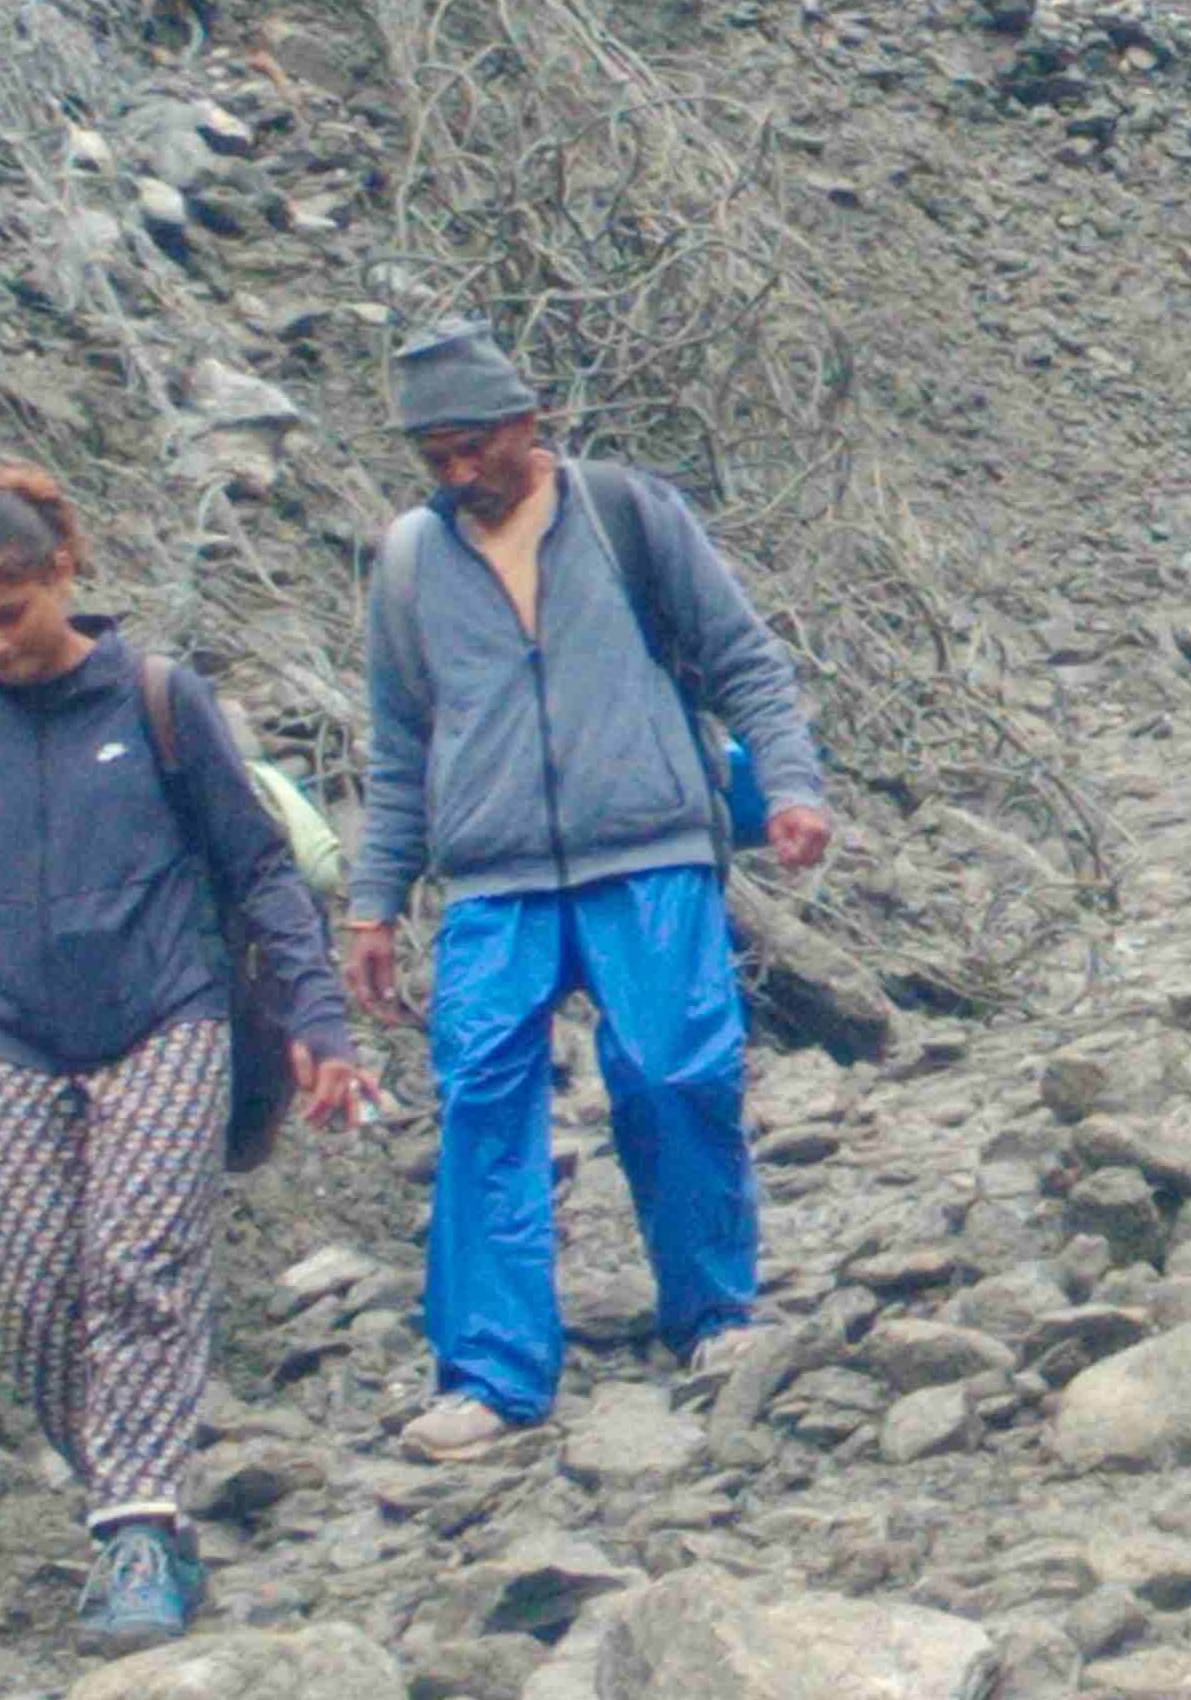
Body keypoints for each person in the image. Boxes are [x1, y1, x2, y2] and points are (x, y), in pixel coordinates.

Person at [350, 320, 833, 1461]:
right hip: (492, 878)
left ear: (530, 423)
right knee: (478, 1102)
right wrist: (374, 902)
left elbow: (743, 657)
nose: (458, 474)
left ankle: (712, 1311)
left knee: (674, 1076)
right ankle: (491, 1371)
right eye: (435, 457)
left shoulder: (627, 514)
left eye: (474, 447)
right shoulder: (410, 562)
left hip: (651, 851)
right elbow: (399, 743)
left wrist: (795, 787)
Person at [0, 463, 374, 1649]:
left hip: (167, 1017)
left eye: (4, 614)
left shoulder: (157, 697)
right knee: (38, 1292)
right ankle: (131, 1502)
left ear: (60, 576)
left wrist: (318, 1030)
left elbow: (259, 871)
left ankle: (140, 1531)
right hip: (17, 1035)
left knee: (137, 1265)